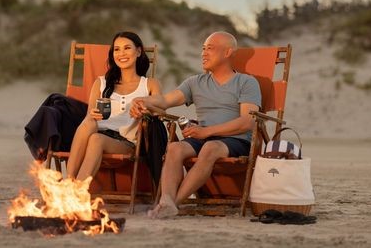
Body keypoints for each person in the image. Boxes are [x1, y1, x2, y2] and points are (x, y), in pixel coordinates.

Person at [130, 31, 261, 219]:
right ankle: (166, 200)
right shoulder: (195, 82)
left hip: (235, 140)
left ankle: (172, 204)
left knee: (210, 147)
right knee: (175, 148)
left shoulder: (246, 82)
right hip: (203, 137)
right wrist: (142, 101)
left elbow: (247, 121)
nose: (203, 53)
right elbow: (165, 101)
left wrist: (206, 131)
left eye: (210, 48)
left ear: (227, 52)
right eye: (203, 49)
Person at [66, 31, 162, 182]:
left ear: (138, 51)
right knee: (89, 124)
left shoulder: (149, 84)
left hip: (126, 141)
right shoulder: (101, 82)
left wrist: (145, 108)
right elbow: (89, 116)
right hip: (96, 133)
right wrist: (93, 114)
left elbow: (160, 111)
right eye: (117, 49)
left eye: (127, 48)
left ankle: (73, 190)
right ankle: (69, 182)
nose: (121, 53)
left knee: (97, 139)